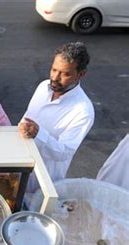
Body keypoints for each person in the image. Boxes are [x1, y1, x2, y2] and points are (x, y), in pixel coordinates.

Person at [19, 42, 95, 193]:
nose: (55, 77)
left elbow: (64, 152)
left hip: (43, 180)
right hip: (20, 164)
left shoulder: (83, 111)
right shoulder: (43, 87)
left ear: (81, 74)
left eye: (65, 74)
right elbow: (26, 118)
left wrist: (38, 134)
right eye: (54, 69)